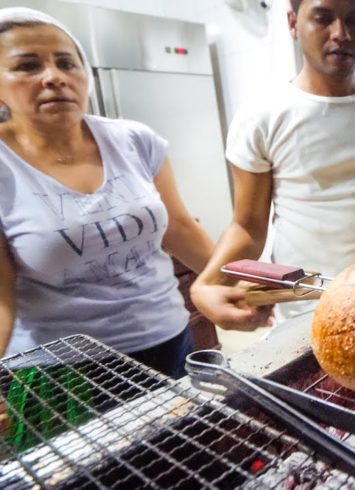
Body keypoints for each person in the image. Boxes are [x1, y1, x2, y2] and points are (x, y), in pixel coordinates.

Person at [0, 8, 214, 378]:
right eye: (28, 66)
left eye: (67, 63)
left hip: (167, 339)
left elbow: (179, 228)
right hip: (61, 372)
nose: (54, 77)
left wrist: (236, 282)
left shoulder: (133, 140)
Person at [192, 0, 355, 329]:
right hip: (307, 312)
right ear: (292, 23)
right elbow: (248, 227)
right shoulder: (262, 116)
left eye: (354, 20)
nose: (341, 34)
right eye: (323, 18)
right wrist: (208, 284)